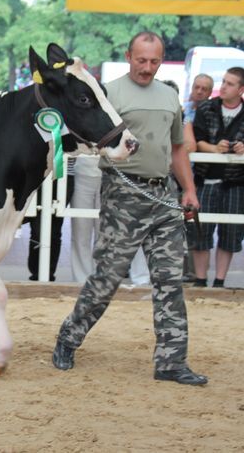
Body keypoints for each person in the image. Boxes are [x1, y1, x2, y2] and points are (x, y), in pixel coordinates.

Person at [53, 31, 207, 385]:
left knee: (170, 280)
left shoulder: (169, 94)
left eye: (154, 61)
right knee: (107, 279)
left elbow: (178, 148)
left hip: (163, 196)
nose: (147, 68)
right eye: (141, 60)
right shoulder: (108, 92)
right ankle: (68, 338)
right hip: (123, 195)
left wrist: (189, 189)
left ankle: (171, 362)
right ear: (128, 56)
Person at [191, 67, 244, 288]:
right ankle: (200, 279)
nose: (223, 86)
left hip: (235, 183)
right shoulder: (206, 109)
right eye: (223, 81)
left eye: (230, 84)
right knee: (200, 231)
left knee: (231, 234)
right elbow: (197, 140)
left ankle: (220, 281)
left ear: (241, 89)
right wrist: (214, 148)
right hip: (205, 178)